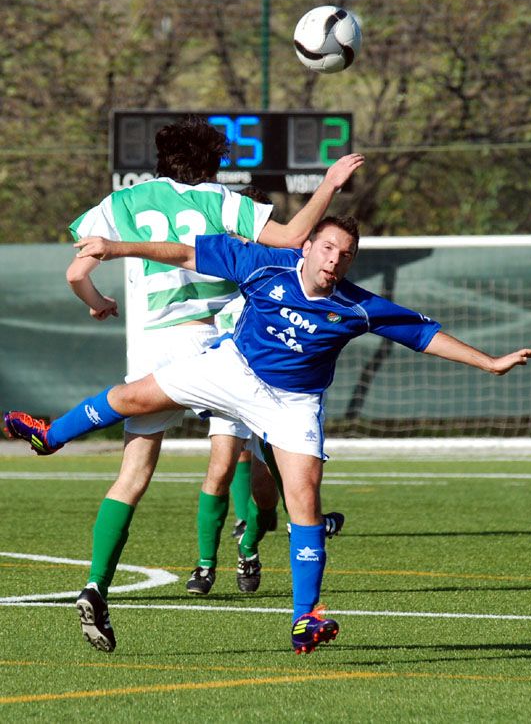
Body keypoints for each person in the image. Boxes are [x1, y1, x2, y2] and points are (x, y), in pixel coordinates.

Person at [5, 216, 531, 654]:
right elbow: (184, 253)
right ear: (307, 247)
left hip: (292, 405)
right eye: (327, 247)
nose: (334, 259)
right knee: (130, 398)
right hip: (233, 368)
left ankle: (305, 620)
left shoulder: (357, 306)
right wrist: (115, 247)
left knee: (304, 502)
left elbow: (424, 334)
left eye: (345, 253)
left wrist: (489, 363)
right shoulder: (264, 266)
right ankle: (49, 436)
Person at [62, 113, 365, 651]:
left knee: (133, 473)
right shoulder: (220, 203)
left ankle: (95, 584)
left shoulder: (119, 205)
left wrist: (99, 303)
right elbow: (296, 236)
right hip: (220, 342)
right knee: (272, 442)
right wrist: (328, 184)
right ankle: (296, 534)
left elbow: (76, 271)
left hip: (152, 344)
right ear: (213, 163)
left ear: (160, 158)